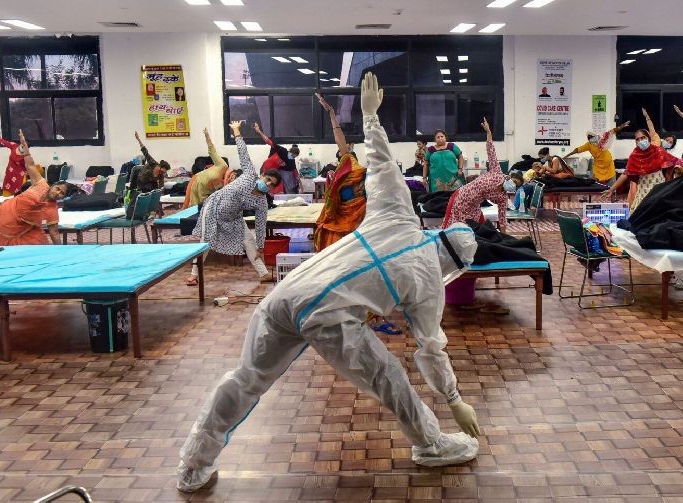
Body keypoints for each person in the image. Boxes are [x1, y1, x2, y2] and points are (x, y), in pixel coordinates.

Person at [177, 73, 481, 493]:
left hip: (288, 293)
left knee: (246, 378)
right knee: (391, 378)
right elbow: (431, 348)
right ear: (452, 265)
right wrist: (453, 399)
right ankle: (430, 443)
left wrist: (370, 116)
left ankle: (193, 464)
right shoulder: (430, 286)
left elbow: (382, 163)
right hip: (330, 316)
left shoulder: (398, 214)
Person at [186, 121, 280, 286]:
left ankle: (263, 273)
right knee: (205, 242)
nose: (268, 184)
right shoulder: (250, 174)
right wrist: (236, 131)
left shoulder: (261, 202)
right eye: (268, 180)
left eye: (272, 184)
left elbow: (260, 224)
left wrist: (261, 246)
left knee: (249, 241)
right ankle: (194, 275)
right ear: (262, 175)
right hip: (213, 208)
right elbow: (243, 152)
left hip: (234, 217)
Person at [0, 130, 74, 247]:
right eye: (58, 188)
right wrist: (26, 151)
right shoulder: (41, 183)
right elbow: (30, 165)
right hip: (7, 212)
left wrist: (60, 251)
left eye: (62, 193)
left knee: (40, 239)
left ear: (63, 197)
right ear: (53, 185)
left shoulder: (52, 209)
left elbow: (54, 233)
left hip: (21, 226)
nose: (58, 193)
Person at [602, 108, 683, 210]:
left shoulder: (658, 151)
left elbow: (675, 161)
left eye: (643, 138)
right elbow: (626, 173)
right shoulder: (634, 155)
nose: (640, 141)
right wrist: (612, 189)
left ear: (649, 138)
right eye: (638, 139)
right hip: (643, 192)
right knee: (641, 217)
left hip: (659, 190)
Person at [313, 93, 367, 252]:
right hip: (339, 220)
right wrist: (331, 114)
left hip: (359, 223)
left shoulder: (366, 176)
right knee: (330, 242)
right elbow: (339, 139)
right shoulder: (341, 177)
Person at [442, 117, 510, 233]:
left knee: (478, 234)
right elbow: (490, 150)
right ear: (508, 177)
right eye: (514, 180)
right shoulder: (497, 172)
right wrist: (488, 132)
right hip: (460, 199)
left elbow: (502, 219)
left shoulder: (503, 197)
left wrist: (505, 239)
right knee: (452, 232)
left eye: (516, 184)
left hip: (473, 208)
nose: (513, 183)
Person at [563, 122, 630, 186]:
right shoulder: (588, 145)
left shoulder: (603, 140)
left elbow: (612, 131)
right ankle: (589, 194)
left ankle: (612, 195)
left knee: (611, 185)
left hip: (609, 166)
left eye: (591, 136)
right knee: (591, 182)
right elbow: (577, 150)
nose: (590, 139)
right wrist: (567, 156)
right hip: (598, 167)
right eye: (588, 138)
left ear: (595, 135)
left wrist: (622, 126)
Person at [182, 128, 228, 209]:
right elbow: (212, 150)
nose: (232, 178)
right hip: (198, 184)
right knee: (195, 210)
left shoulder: (228, 184)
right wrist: (207, 136)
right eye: (232, 177)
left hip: (207, 193)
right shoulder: (223, 165)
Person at [253, 123, 301, 194]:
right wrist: (259, 132)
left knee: (274, 189)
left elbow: (295, 171)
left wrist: (300, 183)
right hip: (265, 168)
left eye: (294, 157)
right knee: (262, 185)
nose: (293, 157)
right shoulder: (282, 150)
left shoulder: (291, 161)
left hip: (274, 173)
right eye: (293, 155)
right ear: (289, 151)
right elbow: (268, 141)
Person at [0, 129, 27, 196]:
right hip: (9, 175)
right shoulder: (14, 146)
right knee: (6, 196)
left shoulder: (26, 156)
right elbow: (3, 142)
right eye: (22, 145)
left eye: (24, 147)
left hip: (19, 177)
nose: (22, 147)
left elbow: (28, 167)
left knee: (18, 196)